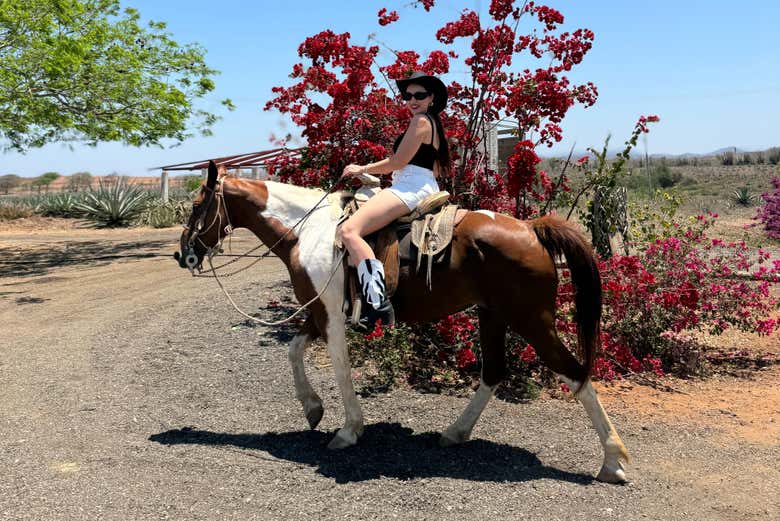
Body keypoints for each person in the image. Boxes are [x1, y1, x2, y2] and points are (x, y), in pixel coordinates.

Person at [339, 71, 451, 327]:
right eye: (408, 96)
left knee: (349, 231)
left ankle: (377, 303)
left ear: (431, 98)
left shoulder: (420, 121)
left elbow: (398, 162)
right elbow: (434, 170)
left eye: (419, 95)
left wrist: (360, 168)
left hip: (410, 187)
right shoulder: (433, 124)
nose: (413, 100)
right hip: (418, 184)